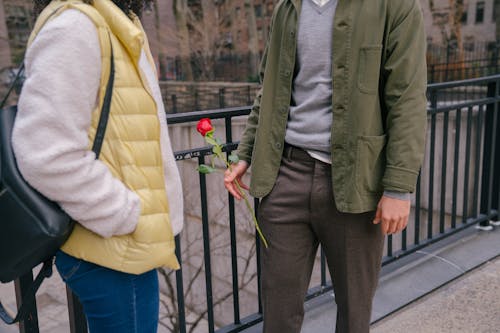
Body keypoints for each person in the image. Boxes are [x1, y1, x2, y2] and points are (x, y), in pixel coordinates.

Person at [224, 0, 427, 332]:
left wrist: (399, 187)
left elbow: (407, 98)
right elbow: (270, 91)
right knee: (278, 312)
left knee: (354, 311)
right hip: (284, 174)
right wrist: (245, 154)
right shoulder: (286, 8)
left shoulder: (395, 6)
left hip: (356, 182)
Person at [12, 0, 183, 332]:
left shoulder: (112, 23)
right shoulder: (75, 27)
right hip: (111, 251)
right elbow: (44, 153)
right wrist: (125, 214)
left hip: (122, 249)